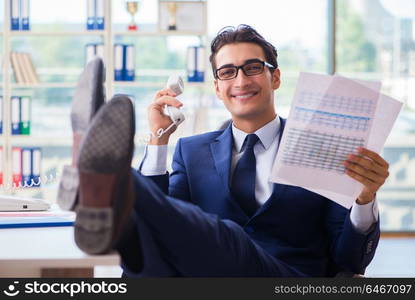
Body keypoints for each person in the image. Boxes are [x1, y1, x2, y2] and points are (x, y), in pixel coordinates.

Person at [73, 25, 389, 277]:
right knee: (147, 248)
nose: (240, 80)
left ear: (275, 77)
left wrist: (364, 198)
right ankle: (112, 200)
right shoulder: (191, 150)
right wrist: (158, 141)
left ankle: (104, 181)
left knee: (226, 237)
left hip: (285, 279)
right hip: (204, 277)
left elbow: (351, 259)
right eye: (227, 72)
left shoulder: (321, 146)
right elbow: (166, 222)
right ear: (217, 88)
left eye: (252, 68)